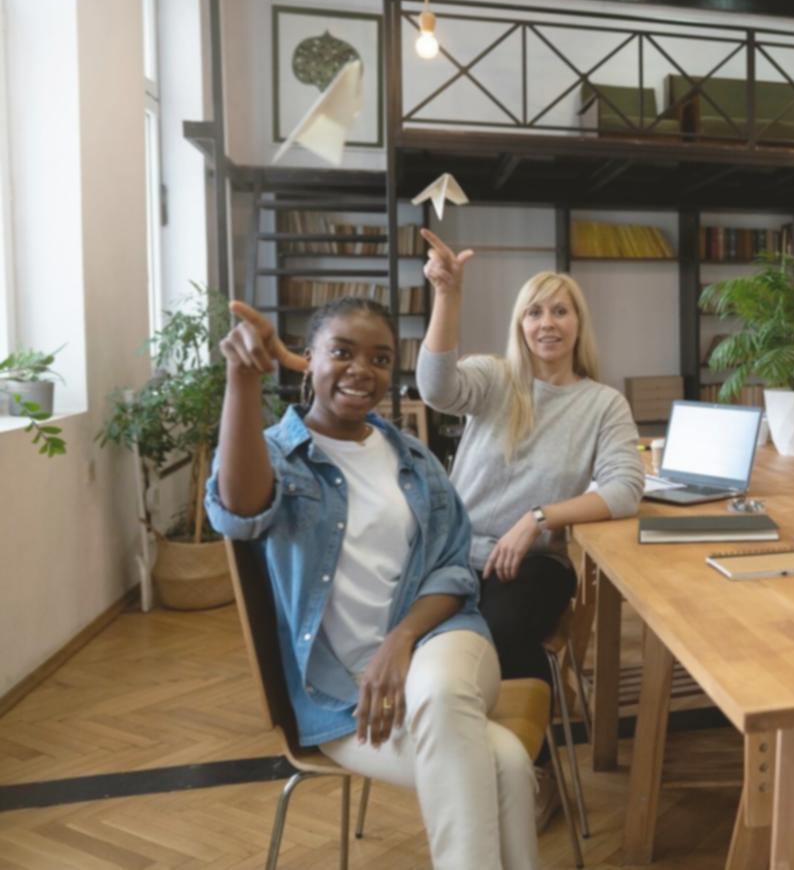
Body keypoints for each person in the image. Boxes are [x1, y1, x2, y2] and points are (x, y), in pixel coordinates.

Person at [205, 297, 538, 870]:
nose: (363, 369)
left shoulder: (412, 457)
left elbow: (455, 569)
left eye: (380, 358)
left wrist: (399, 641)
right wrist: (241, 378)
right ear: (308, 360)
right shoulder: (282, 458)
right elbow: (237, 511)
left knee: (439, 692)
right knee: (504, 760)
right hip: (341, 697)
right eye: (342, 352)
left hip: (441, 644)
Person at [415, 230, 644, 819]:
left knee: (500, 630)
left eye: (560, 310)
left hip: (537, 561)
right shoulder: (495, 380)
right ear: (520, 324)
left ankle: (533, 772)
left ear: (577, 324)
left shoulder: (602, 404)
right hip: (457, 556)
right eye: (535, 311)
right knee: (431, 641)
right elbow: (436, 389)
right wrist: (448, 294)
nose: (548, 322)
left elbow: (624, 488)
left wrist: (538, 518)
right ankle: (462, 762)